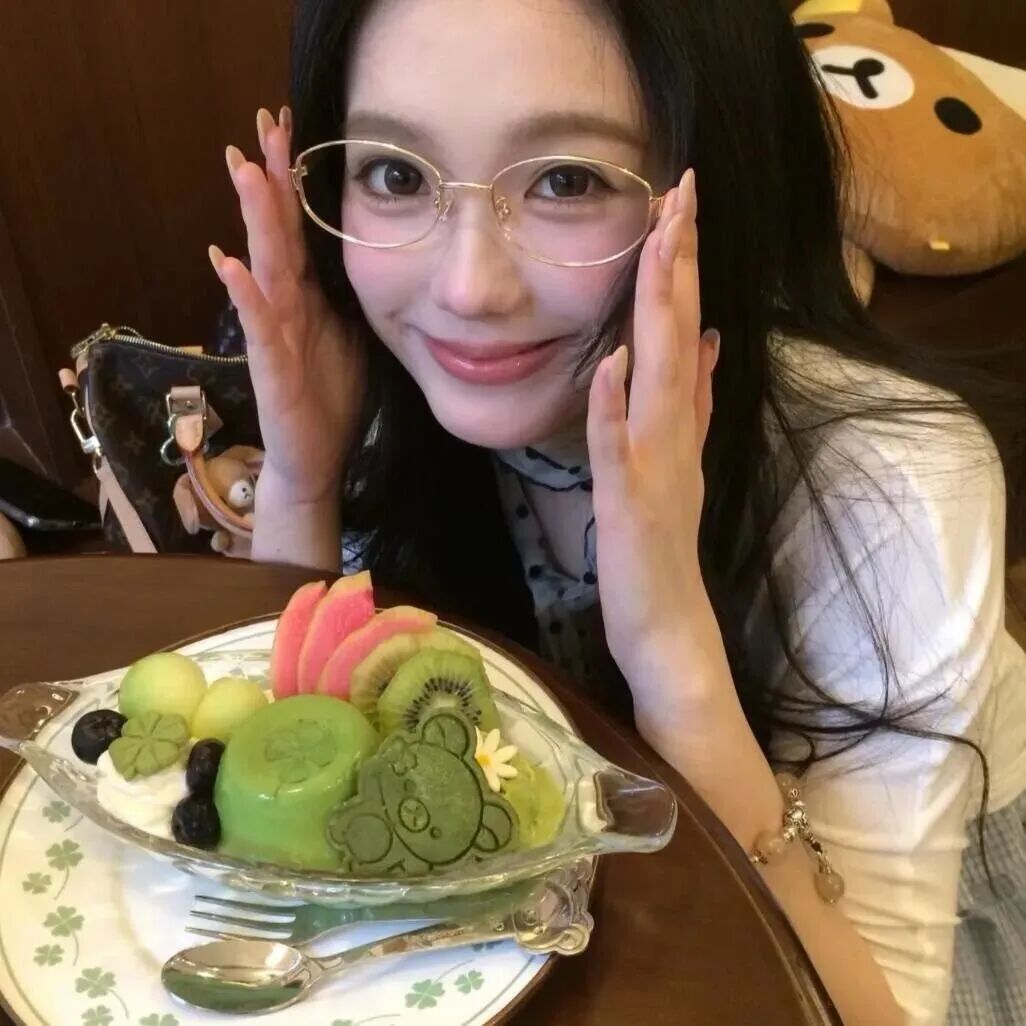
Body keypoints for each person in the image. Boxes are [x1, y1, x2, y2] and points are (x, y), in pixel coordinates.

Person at [207, 1, 1026, 1022]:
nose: (466, 289)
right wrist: (301, 484)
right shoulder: (385, 385)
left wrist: (673, 652)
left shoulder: (887, 487)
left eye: (567, 181)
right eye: (397, 175)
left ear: (724, 178)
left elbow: (871, 1009)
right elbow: (289, 788)